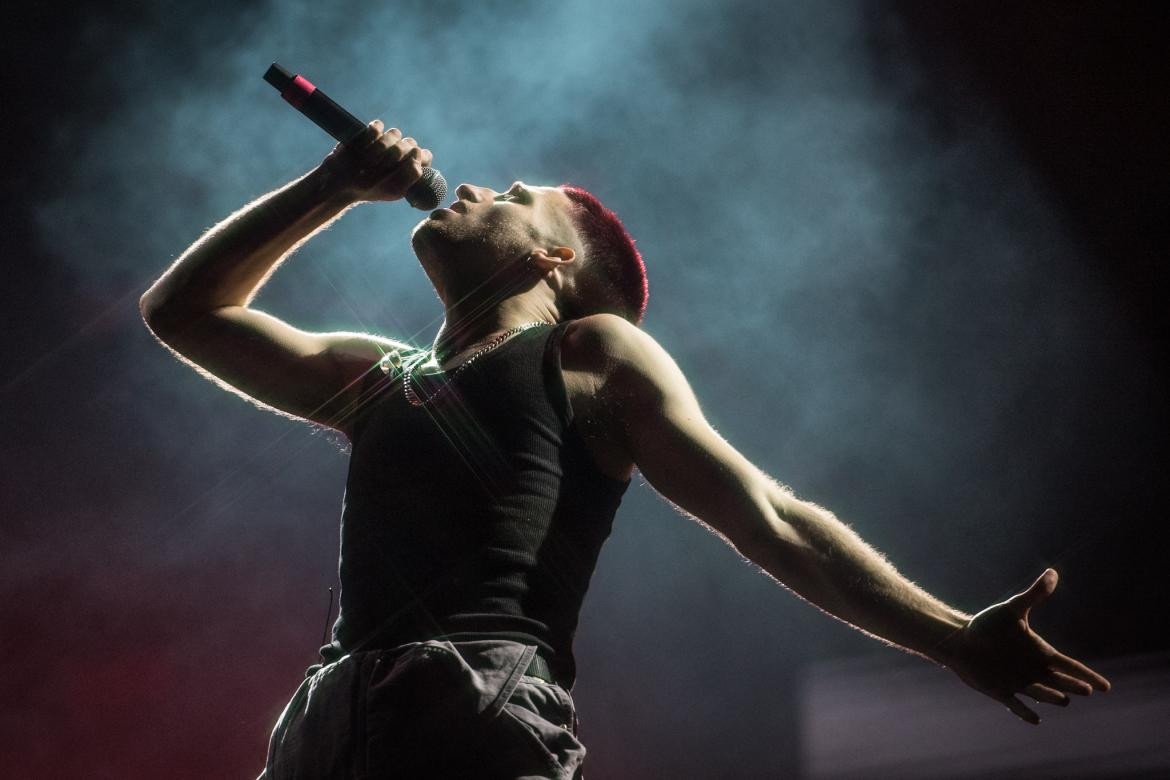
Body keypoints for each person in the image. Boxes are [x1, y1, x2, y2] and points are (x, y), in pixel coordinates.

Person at [140, 121, 1110, 779]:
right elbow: (183, 312)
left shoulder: (587, 352)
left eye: (516, 195)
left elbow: (769, 519)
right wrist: (330, 186)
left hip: (477, 701)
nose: (474, 186)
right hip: (329, 722)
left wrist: (950, 638)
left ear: (554, 260)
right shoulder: (378, 377)